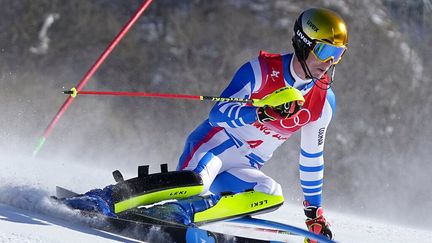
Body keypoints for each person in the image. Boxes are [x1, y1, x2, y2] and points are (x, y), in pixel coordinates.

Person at [63, 7, 347, 242]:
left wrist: (315, 215)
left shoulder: (323, 101)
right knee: (195, 183)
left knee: (271, 194)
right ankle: (104, 198)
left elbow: (311, 158)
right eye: (324, 52)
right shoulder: (261, 71)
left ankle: (179, 214)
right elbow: (218, 113)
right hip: (212, 146)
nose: (330, 63)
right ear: (303, 43)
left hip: (243, 165)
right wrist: (259, 114)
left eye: (338, 54)